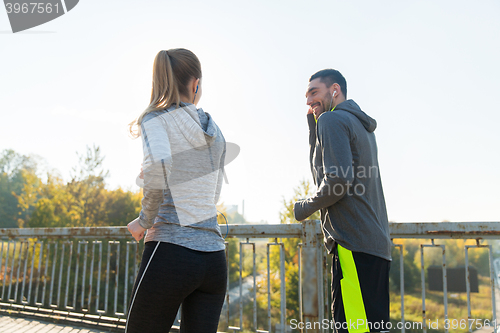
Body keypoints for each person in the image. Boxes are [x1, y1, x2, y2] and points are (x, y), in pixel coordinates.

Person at [125, 48, 227, 333]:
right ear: (196, 83)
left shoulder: (156, 119)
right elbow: (212, 194)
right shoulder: (215, 128)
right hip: (214, 260)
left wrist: (143, 220)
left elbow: (158, 167)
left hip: (171, 251)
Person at [294, 69, 392, 333]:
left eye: (314, 92)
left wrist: (304, 208)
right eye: (306, 95)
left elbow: (334, 181)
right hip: (376, 246)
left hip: (352, 243)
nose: (307, 101)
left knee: (353, 329)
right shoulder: (361, 126)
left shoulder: (332, 121)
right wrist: (314, 130)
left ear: (334, 89)